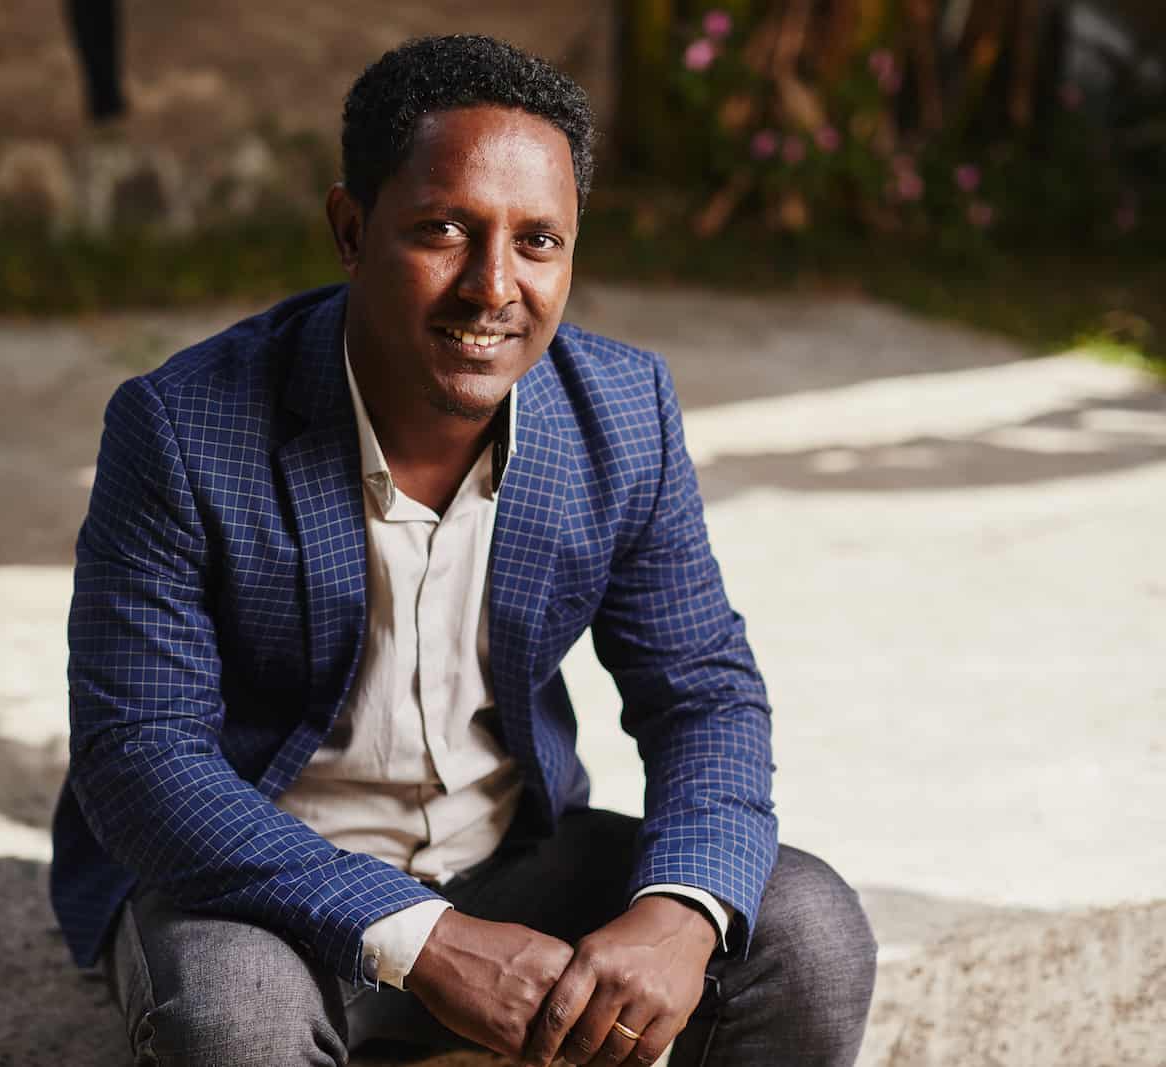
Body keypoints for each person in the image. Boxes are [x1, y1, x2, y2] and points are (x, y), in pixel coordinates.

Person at [51, 33, 876, 1067]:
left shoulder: (620, 411)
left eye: (538, 242)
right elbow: (139, 757)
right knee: (232, 1024)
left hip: (511, 858)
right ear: (350, 230)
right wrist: (426, 941)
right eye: (443, 229)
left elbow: (701, 688)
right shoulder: (181, 426)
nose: (492, 287)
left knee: (810, 930)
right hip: (263, 882)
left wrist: (677, 908)